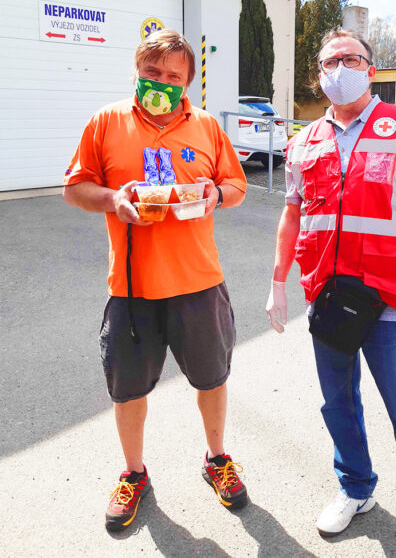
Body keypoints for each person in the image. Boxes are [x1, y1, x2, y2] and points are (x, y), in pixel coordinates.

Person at [265, 28, 396, 557]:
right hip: (327, 297)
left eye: (350, 58)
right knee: (339, 405)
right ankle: (356, 489)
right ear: (320, 73)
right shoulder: (305, 140)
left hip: (390, 299)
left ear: (370, 68)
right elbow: (293, 213)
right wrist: (277, 283)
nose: (339, 68)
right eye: (329, 61)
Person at [62, 30, 249, 531]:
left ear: (188, 81)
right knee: (127, 390)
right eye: (153, 73)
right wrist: (113, 201)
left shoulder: (207, 126)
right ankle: (134, 473)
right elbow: (75, 187)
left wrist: (215, 196)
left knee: (213, 379)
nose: (162, 83)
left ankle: (216, 460)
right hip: (131, 287)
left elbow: (236, 186)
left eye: (173, 76)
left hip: (199, 281)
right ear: (137, 71)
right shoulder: (106, 121)